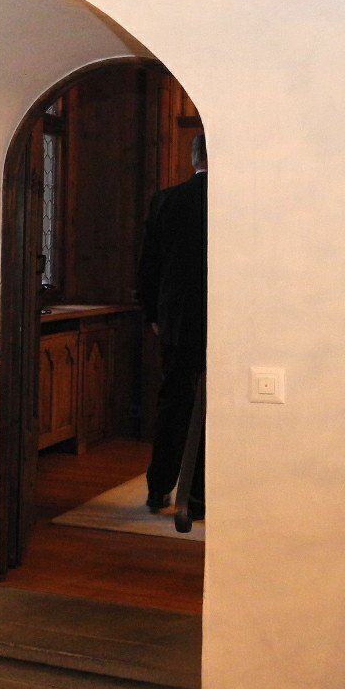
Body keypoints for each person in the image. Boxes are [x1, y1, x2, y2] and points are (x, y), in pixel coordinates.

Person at [136, 132, 207, 519]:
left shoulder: (166, 200)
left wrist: (152, 314)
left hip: (176, 319)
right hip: (219, 319)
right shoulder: (230, 200)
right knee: (212, 410)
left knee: (174, 404)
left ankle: (159, 487)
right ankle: (196, 496)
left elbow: (148, 265)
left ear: (193, 158)